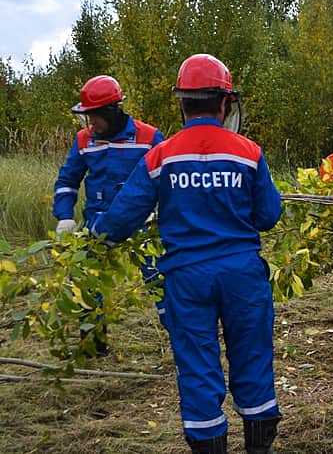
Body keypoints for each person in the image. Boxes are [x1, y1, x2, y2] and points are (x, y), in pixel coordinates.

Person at [90, 54, 283, 454]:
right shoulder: (249, 153)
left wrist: (94, 236)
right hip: (242, 276)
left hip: (185, 279)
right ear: (225, 103)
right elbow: (268, 216)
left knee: (198, 371)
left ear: (183, 103)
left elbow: (122, 218)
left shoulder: (160, 156)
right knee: (253, 364)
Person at [53, 75, 164, 352]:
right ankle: (93, 344)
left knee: (161, 277)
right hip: (97, 224)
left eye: (95, 118)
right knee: (87, 280)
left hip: (142, 223)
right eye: (87, 118)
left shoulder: (149, 137)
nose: (91, 125)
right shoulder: (83, 140)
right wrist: (65, 216)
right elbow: (67, 181)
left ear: (112, 112)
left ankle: (179, 335)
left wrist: (160, 214)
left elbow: (166, 181)